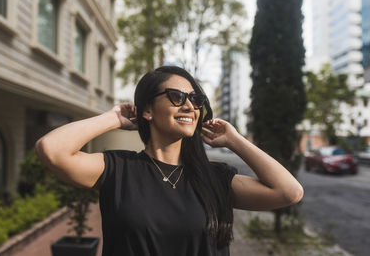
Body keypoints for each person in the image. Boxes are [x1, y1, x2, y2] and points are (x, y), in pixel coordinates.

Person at [35, 65, 304, 256]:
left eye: (196, 100)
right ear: (148, 110)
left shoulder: (215, 178)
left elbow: (289, 192)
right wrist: (114, 118)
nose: (190, 106)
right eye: (177, 97)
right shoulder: (118, 170)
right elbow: (51, 149)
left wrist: (235, 140)